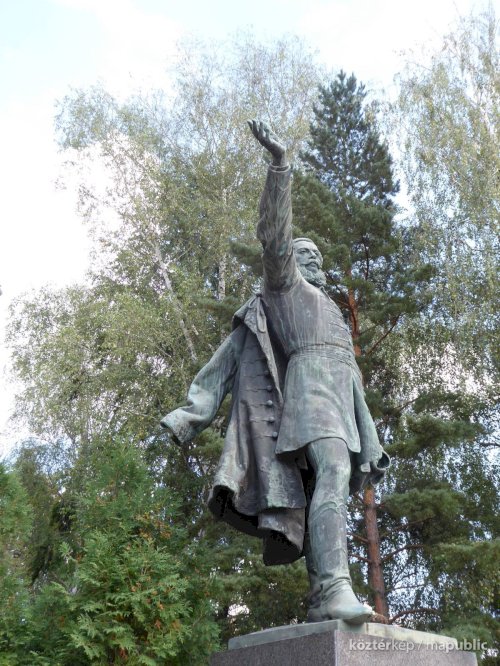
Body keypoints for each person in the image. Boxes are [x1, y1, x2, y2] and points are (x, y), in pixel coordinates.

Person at [161, 120, 389, 624]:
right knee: (334, 471)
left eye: (318, 257)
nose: (314, 261)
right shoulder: (288, 292)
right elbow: (274, 239)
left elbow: (350, 375)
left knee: (320, 490)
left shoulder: (331, 311)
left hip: (342, 405)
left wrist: (368, 429)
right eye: (306, 256)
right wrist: (280, 167)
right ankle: (334, 587)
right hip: (309, 400)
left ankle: (322, 597)